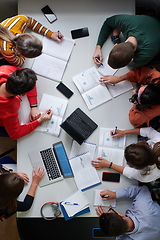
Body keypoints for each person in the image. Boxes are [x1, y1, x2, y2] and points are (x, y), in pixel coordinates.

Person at [0, 65, 53, 139]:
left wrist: (34, 106)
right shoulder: (8, 112)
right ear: (23, 94)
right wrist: (39, 121)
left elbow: (27, 78)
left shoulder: (4, 69)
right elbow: (15, 134)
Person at [91, 126, 160, 183]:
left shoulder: (147, 176)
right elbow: (148, 131)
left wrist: (109, 165)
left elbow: (129, 173)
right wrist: (124, 132)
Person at [93, 14, 160, 69]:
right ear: (116, 46)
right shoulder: (127, 22)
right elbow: (108, 22)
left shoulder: (144, 55)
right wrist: (98, 47)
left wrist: (116, 39)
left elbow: (133, 64)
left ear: (131, 60)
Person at [96, 185, 160, 239]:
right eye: (111, 210)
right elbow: (143, 190)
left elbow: (118, 234)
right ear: (121, 215)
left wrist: (107, 222)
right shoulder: (143, 207)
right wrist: (115, 194)